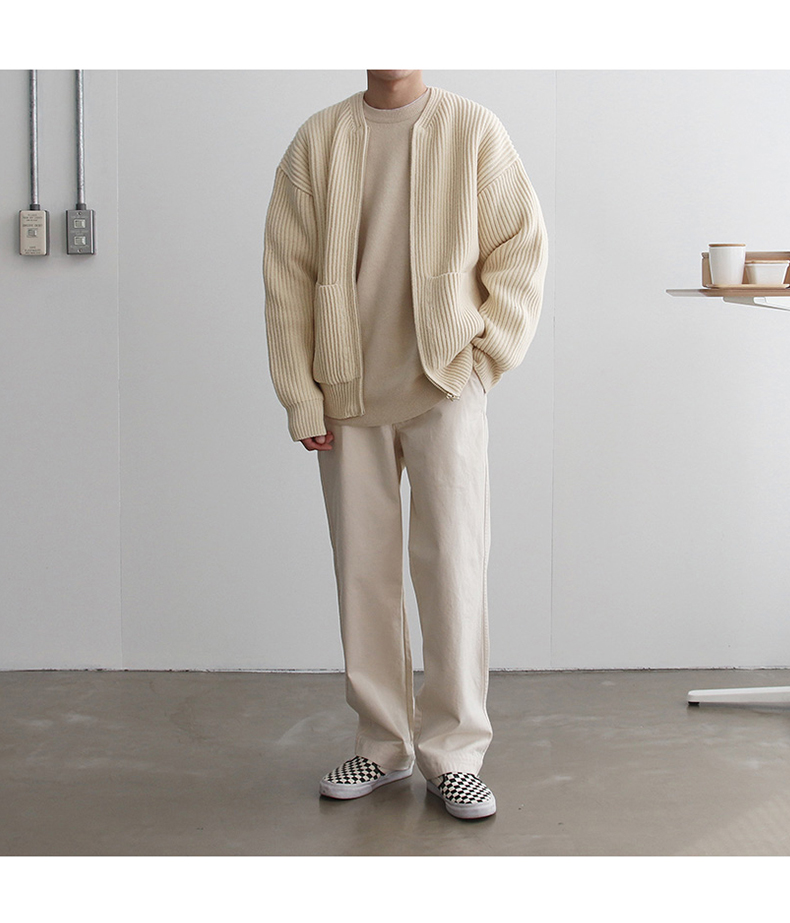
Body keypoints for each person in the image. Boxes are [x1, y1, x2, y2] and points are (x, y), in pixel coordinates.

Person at [262, 70, 548, 820]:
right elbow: (286, 277)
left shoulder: (474, 130)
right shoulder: (317, 140)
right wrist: (301, 394)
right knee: (365, 575)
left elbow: (521, 249)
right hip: (347, 391)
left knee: (454, 568)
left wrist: (484, 360)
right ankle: (383, 744)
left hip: (445, 385)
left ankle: (455, 753)